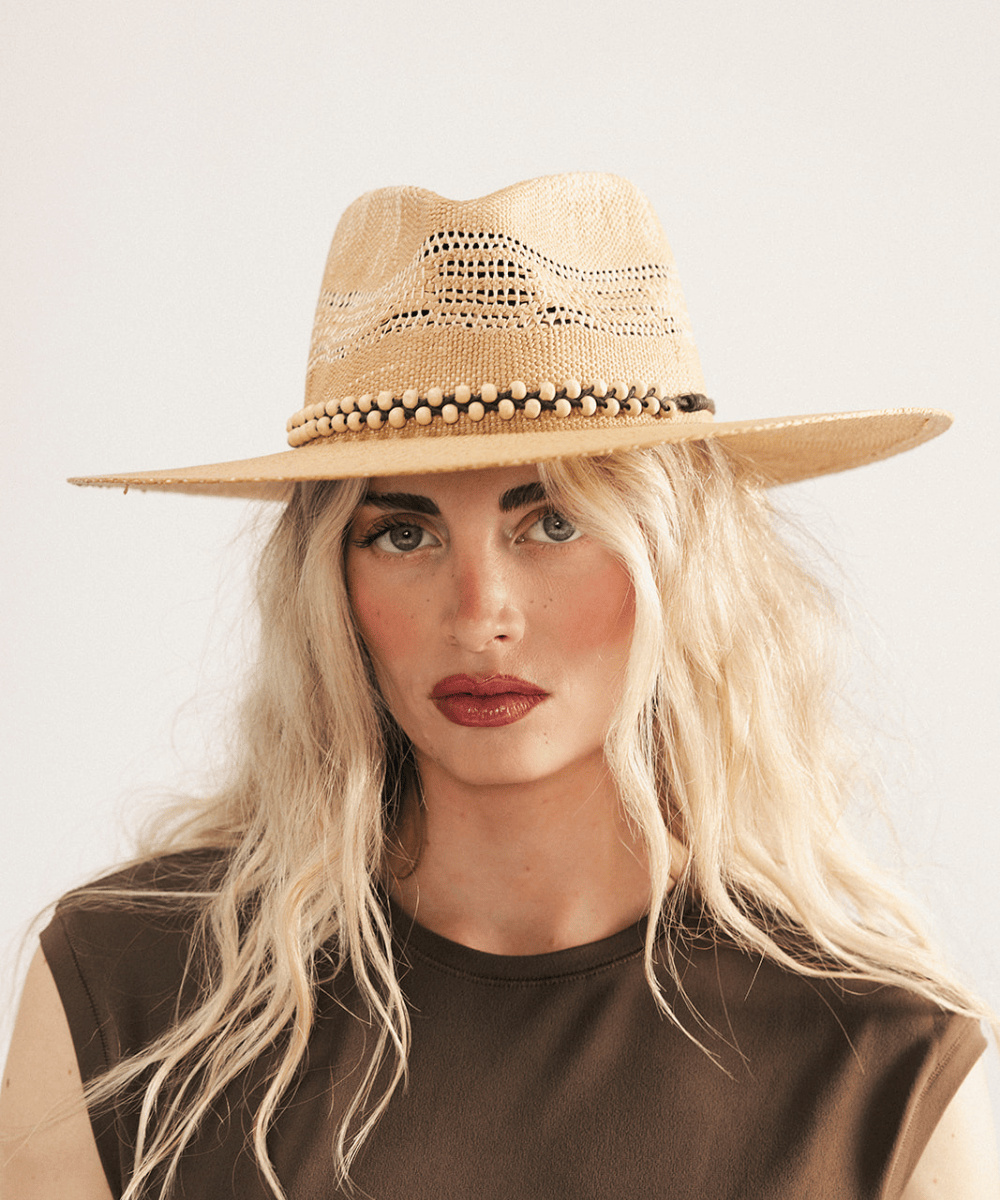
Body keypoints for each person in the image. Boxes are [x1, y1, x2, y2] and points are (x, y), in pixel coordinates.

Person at [1, 173, 996, 1200]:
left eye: (554, 524)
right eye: (403, 534)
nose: (479, 615)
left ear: (677, 562)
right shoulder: (132, 994)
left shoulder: (879, 1068)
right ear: (330, 586)